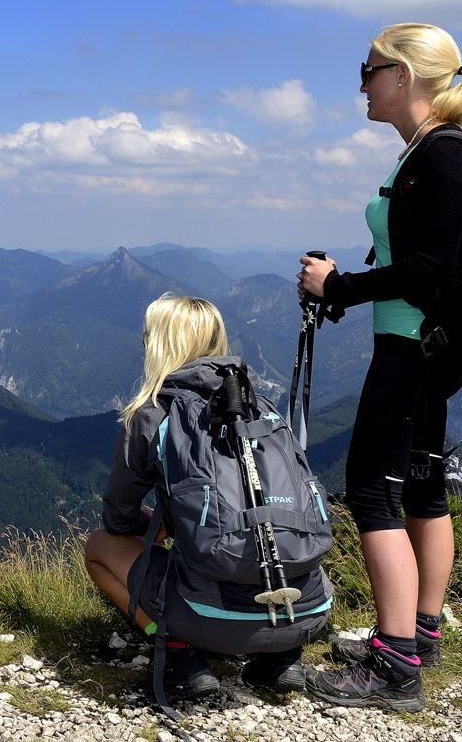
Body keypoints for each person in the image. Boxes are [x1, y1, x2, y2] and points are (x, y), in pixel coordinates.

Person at [296, 22, 462, 711]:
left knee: (374, 493)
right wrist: (346, 288)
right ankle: (421, 632)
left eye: (370, 68)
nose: (362, 83)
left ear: (403, 75)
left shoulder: (441, 157)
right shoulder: (444, 151)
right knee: (422, 488)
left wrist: (338, 286)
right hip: (430, 346)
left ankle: (394, 665)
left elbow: (433, 267)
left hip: (412, 350)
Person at [84, 293, 308, 701]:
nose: (142, 340)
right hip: (304, 606)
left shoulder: (153, 415)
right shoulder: (262, 409)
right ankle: (281, 657)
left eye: (148, 334)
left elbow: (118, 519)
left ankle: (175, 648)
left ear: (164, 345)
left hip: (212, 614)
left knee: (98, 547)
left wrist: (162, 523)